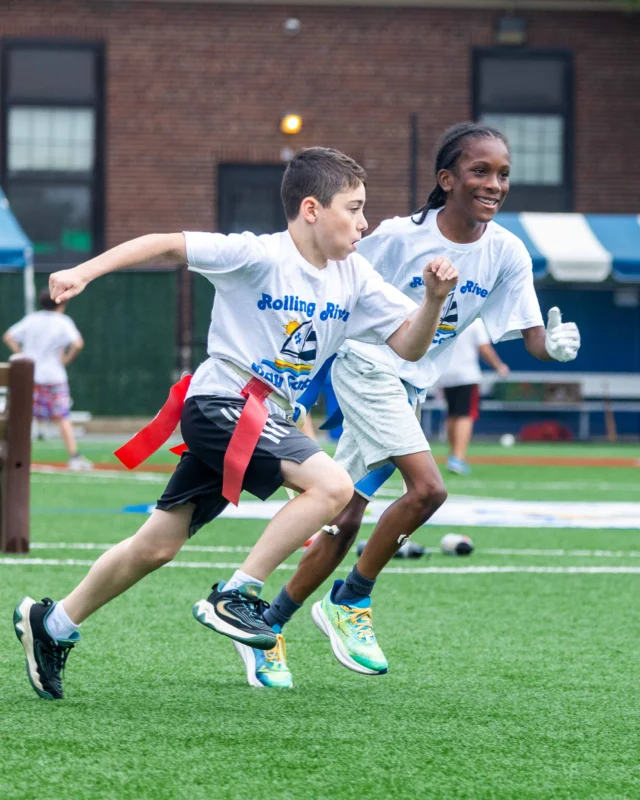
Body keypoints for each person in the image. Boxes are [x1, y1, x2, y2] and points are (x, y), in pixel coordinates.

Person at [13, 146, 458, 700]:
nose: (365, 222)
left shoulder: (355, 276)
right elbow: (166, 243)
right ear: (313, 209)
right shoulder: (258, 254)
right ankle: (239, 594)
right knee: (334, 486)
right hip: (221, 405)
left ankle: (52, 625)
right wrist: (84, 270)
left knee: (157, 545)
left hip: (261, 417)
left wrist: (435, 301)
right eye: (355, 207)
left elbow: (409, 345)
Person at [238, 122, 581, 689]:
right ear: (447, 180)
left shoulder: (506, 251)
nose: (494, 183)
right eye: (480, 171)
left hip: (410, 389)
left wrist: (555, 346)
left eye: (503, 174)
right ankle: (351, 600)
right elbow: (322, 260)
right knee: (428, 489)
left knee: (342, 516)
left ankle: (266, 625)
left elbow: (529, 333)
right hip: (365, 368)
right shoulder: (398, 236)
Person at [2, 288, 92, 470]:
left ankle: (13, 457)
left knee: (21, 417)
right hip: (53, 377)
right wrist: (65, 359)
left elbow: (8, 336)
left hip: (29, 377)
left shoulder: (32, 319)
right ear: (61, 303)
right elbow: (77, 343)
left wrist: (22, 355)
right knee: (62, 416)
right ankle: (74, 456)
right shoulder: (63, 321)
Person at [436, 317, 510, 475]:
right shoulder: (475, 321)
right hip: (466, 375)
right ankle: (458, 457)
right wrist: (499, 366)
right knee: (465, 415)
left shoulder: (444, 317)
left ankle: (453, 455)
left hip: (446, 374)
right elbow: (484, 348)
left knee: (452, 414)